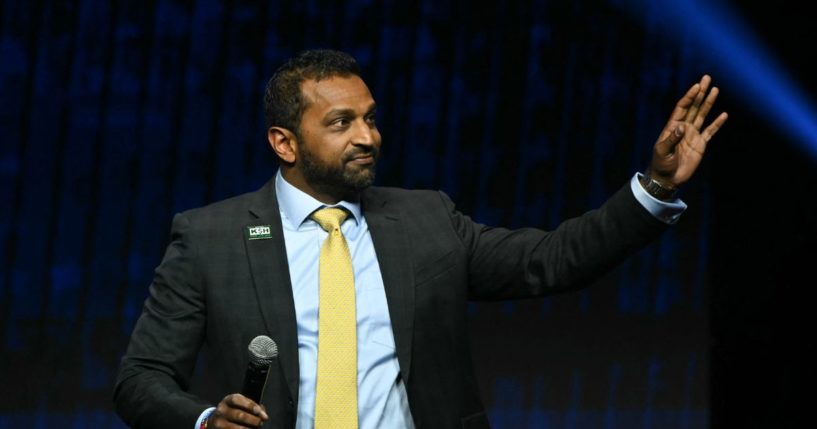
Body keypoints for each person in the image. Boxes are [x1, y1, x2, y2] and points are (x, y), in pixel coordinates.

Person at [113, 49, 727, 429]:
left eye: (371, 118)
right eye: (340, 122)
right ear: (284, 143)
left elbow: (554, 261)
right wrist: (201, 421)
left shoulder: (427, 219)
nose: (367, 137)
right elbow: (140, 379)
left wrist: (653, 186)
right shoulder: (209, 237)